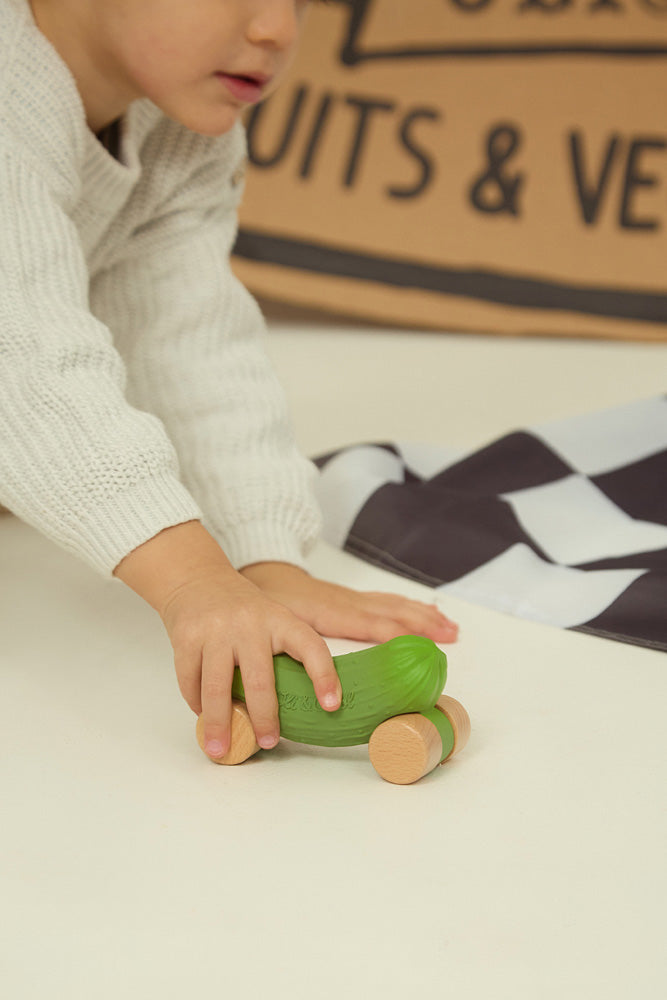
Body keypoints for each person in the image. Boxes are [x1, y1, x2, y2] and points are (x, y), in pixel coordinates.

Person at [0, 0, 458, 761]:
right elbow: (20, 349)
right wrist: (188, 580)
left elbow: (188, 341)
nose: (276, 31)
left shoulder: (178, 122)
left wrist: (257, 556)